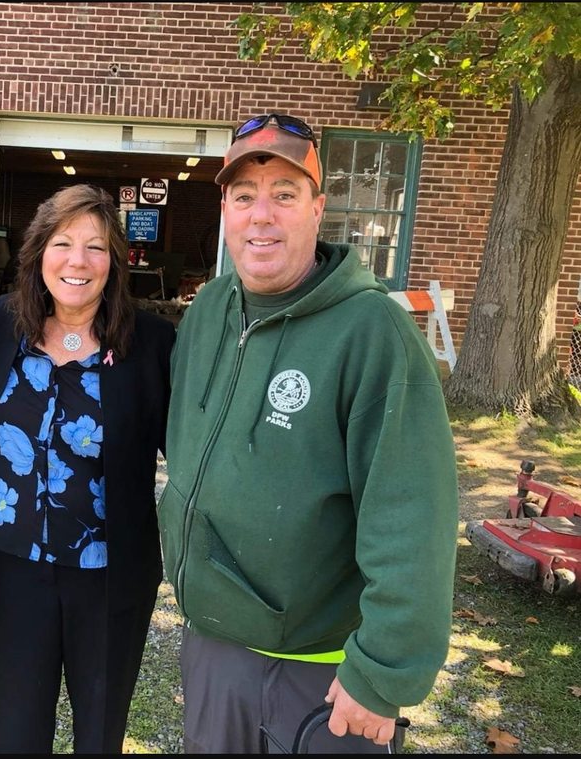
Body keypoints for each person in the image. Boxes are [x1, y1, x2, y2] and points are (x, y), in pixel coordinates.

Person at [159, 113, 458, 754]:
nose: (261, 215)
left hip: (319, 671)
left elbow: (411, 513)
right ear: (225, 211)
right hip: (214, 645)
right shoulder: (210, 309)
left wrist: (381, 672)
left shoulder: (373, 333)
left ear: (318, 210)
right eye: (244, 197)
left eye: (284, 195)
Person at [0, 184, 175, 753]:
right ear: (37, 253)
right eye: (63, 243)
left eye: (97, 247)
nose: (78, 261)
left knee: (99, 730)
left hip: (109, 573)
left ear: (116, 262)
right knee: (15, 726)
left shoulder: (151, 343)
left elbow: (185, 444)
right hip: (15, 564)